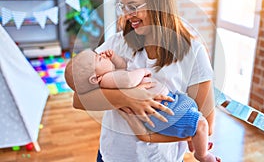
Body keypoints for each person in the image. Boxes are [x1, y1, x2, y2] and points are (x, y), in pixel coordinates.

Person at [72, 0, 218, 161]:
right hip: (111, 156)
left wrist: (148, 136)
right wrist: (127, 97)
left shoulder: (194, 54)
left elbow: (205, 124)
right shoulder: (116, 44)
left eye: (133, 7)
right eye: (123, 6)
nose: (126, 15)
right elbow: (79, 99)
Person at [65, 49, 220, 161]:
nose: (102, 55)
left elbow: (122, 68)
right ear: (94, 79)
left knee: (194, 116)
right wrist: (142, 71)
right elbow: (128, 79)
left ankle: (194, 141)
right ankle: (203, 155)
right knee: (200, 124)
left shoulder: (109, 76)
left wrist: (115, 58)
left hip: (167, 104)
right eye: (99, 59)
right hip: (161, 111)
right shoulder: (107, 79)